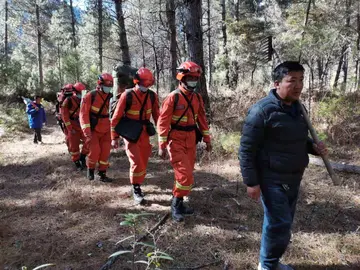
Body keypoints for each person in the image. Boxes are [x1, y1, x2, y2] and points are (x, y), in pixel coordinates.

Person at [239, 61, 327, 270]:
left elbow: (298, 139)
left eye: (301, 80)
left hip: (293, 177)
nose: (298, 86)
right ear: (277, 83)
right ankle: (267, 266)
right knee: (279, 224)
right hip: (271, 178)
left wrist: (314, 148)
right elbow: (246, 150)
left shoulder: (299, 108)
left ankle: (271, 262)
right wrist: (252, 183)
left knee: (282, 224)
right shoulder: (261, 111)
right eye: (292, 81)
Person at [157, 61, 212, 222]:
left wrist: (207, 140)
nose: (193, 82)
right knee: (184, 175)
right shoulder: (173, 97)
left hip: (191, 139)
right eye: (190, 78)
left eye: (195, 79)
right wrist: (161, 145)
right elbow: (163, 122)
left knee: (187, 174)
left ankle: (180, 203)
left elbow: (202, 119)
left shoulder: (196, 97)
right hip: (176, 140)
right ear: (182, 78)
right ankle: (175, 205)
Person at [111, 67, 160, 204]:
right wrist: (114, 137)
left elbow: (158, 116)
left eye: (149, 84)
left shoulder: (152, 96)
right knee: (136, 162)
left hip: (144, 133)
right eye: (144, 84)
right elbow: (115, 118)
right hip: (131, 134)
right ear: (137, 81)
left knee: (143, 162)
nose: (146, 86)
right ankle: (136, 188)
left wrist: (164, 135)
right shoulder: (127, 95)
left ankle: (138, 182)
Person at [79, 73, 113, 182]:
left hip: (106, 129)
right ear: (100, 84)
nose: (108, 88)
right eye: (107, 85)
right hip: (93, 130)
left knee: (105, 152)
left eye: (110, 86)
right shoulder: (90, 96)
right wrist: (87, 131)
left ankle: (102, 174)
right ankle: (90, 170)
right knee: (94, 151)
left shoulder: (111, 97)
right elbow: (83, 114)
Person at [62, 82, 89, 170]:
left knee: (88, 141)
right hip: (73, 126)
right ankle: (77, 162)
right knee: (74, 146)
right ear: (75, 92)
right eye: (80, 93)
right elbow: (65, 116)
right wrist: (70, 128)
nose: (82, 94)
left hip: (81, 125)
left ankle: (83, 156)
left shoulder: (84, 100)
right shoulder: (68, 101)